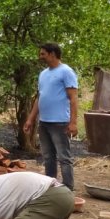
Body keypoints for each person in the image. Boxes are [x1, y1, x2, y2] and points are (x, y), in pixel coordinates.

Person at [23, 43, 79, 191]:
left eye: (43, 54)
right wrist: (30, 119)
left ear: (52, 54)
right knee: (48, 157)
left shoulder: (66, 72)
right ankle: (50, 186)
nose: (40, 57)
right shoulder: (43, 74)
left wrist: (73, 122)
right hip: (44, 122)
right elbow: (40, 98)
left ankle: (68, 188)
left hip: (60, 123)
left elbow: (73, 98)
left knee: (63, 157)